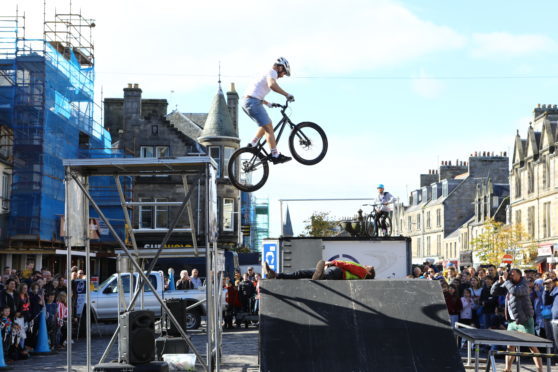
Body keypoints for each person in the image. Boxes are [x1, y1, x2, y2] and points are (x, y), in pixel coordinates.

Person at [242, 57, 294, 164]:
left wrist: (268, 104)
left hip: (249, 101)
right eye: (284, 72)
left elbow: (256, 92)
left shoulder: (265, 72)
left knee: (265, 124)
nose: (283, 75)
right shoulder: (272, 72)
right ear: (279, 67)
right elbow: (272, 85)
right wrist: (287, 95)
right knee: (269, 127)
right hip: (252, 102)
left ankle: (253, 143)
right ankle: (275, 155)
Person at [491, 268, 543, 372]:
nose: (511, 276)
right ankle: (507, 368)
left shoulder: (524, 284)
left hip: (525, 320)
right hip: (512, 321)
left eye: (513, 275)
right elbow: (493, 292)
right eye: (510, 275)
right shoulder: (508, 283)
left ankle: (540, 370)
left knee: (532, 346)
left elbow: (515, 291)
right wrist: (499, 281)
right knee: (510, 346)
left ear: (520, 275)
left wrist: (506, 281)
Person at [264, 259, 375, 280]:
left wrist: (332, 263)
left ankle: (321, 276)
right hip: (333, 272)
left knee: (330, 272)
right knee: (301, 273)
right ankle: (276, 275)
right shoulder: (361, 276)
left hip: (338, 272)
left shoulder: (363, 272)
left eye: (369, 266)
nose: (366, 265)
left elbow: (348, 265)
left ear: (369, 272)